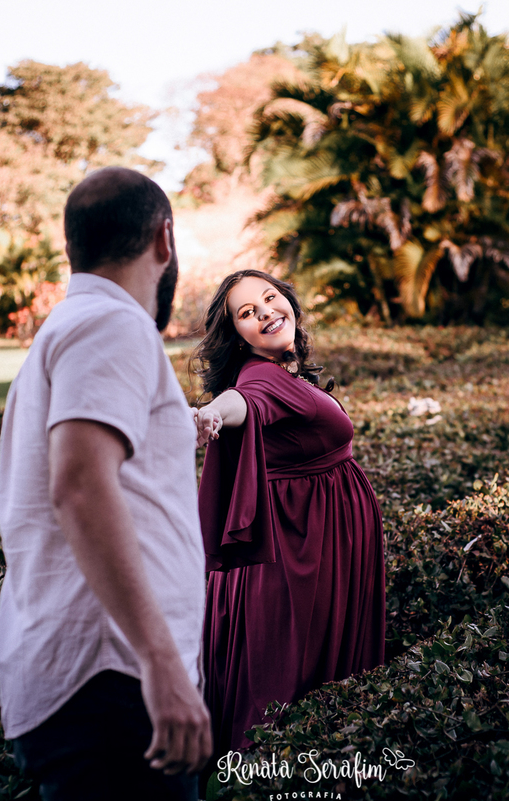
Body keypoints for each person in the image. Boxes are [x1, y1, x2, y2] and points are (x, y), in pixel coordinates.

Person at [0, 167, 211, 800]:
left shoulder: (69, 327)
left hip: (102, 680)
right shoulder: (112, 324)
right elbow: (81, 487)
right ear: (163, 240)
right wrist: (162, 662)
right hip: (114, 681)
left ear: (72, 248)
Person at [192, 269, 386, 757]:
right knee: (284, 689)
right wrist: (215, 412)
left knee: (316, 685)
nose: (265, 313)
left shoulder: (284, 371)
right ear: (237, 335)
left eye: (270, 298)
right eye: (246, 313)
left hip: (318, 544)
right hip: (296, 558)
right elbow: (245, 403)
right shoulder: (259, 379)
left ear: (289, 302)